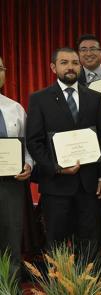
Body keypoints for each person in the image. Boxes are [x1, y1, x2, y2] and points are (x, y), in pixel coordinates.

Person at [26, 48, 101, 255]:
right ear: (53, 67)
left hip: (88, 183)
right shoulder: (39, 99)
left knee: (89, 237)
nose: (71, 67)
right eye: (64, 62)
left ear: (80, 66)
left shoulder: (95, 97)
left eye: (75, 62)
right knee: (56, 240)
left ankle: (87, 283)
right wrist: (56, 168)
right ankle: (58, 284)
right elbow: (34, 141)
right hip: (56, 185)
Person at [77, 33, 101, 251]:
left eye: (93, 48)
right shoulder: (71, 79)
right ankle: (84, 247)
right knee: (86, 202)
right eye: (83, 49)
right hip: (83, 152)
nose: (89, 53)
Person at [0, 56, 33, 278]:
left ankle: (10, 284)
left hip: (11, 183)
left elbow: (29, 145)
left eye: (0, 68)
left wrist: (28, 165)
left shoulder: (15, 108)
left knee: (11, 235)